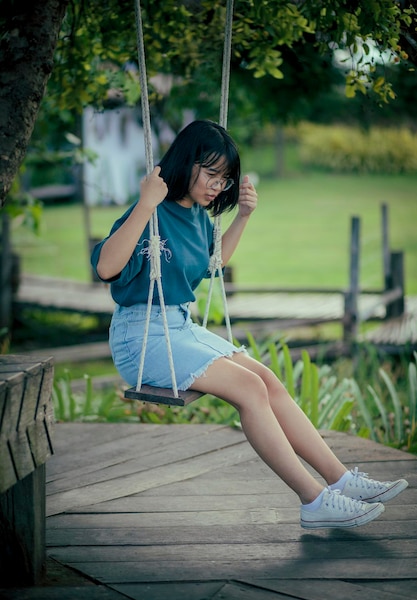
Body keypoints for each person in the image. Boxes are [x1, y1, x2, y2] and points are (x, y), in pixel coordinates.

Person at [91, 119, 408, 529]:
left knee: (267, 379)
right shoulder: (150, 211)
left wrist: (242, 216)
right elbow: (105, 267)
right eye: (210, 174)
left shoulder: (198, 217)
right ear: (186, 162)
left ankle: (342, 480)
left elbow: (211, 266)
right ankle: (314, 502)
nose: (216, 186)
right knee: (249, 388)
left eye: (224, 179)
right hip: (141, 336)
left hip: (179, 327)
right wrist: (145, 204)